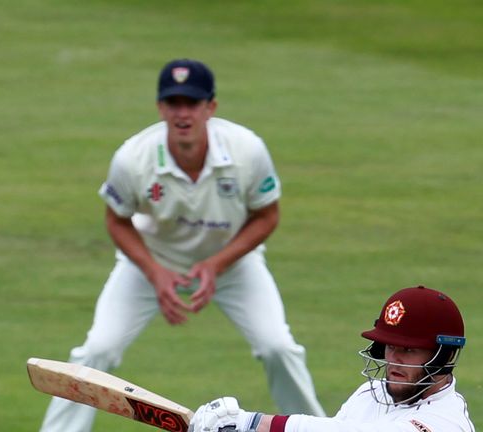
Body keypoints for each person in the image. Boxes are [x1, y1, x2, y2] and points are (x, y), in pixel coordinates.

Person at [39, 58, 325, 431]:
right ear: (161, 108)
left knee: (278, 348)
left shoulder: (246, 150)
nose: (182, 113)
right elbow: (117, 220)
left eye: (192, 103)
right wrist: (155, 273)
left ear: (211, 108)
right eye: (173, 103)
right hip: (151, 263)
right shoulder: (133, 157)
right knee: (97, 349)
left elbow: (267, 216)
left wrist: (216, 264)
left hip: (233, 265)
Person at [190, 286, 476, 432]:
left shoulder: (445, 422)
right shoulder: (371, 394)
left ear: (444, 355)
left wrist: (252, 424)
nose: (394, 360)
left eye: (409, 350)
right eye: (389, 346)